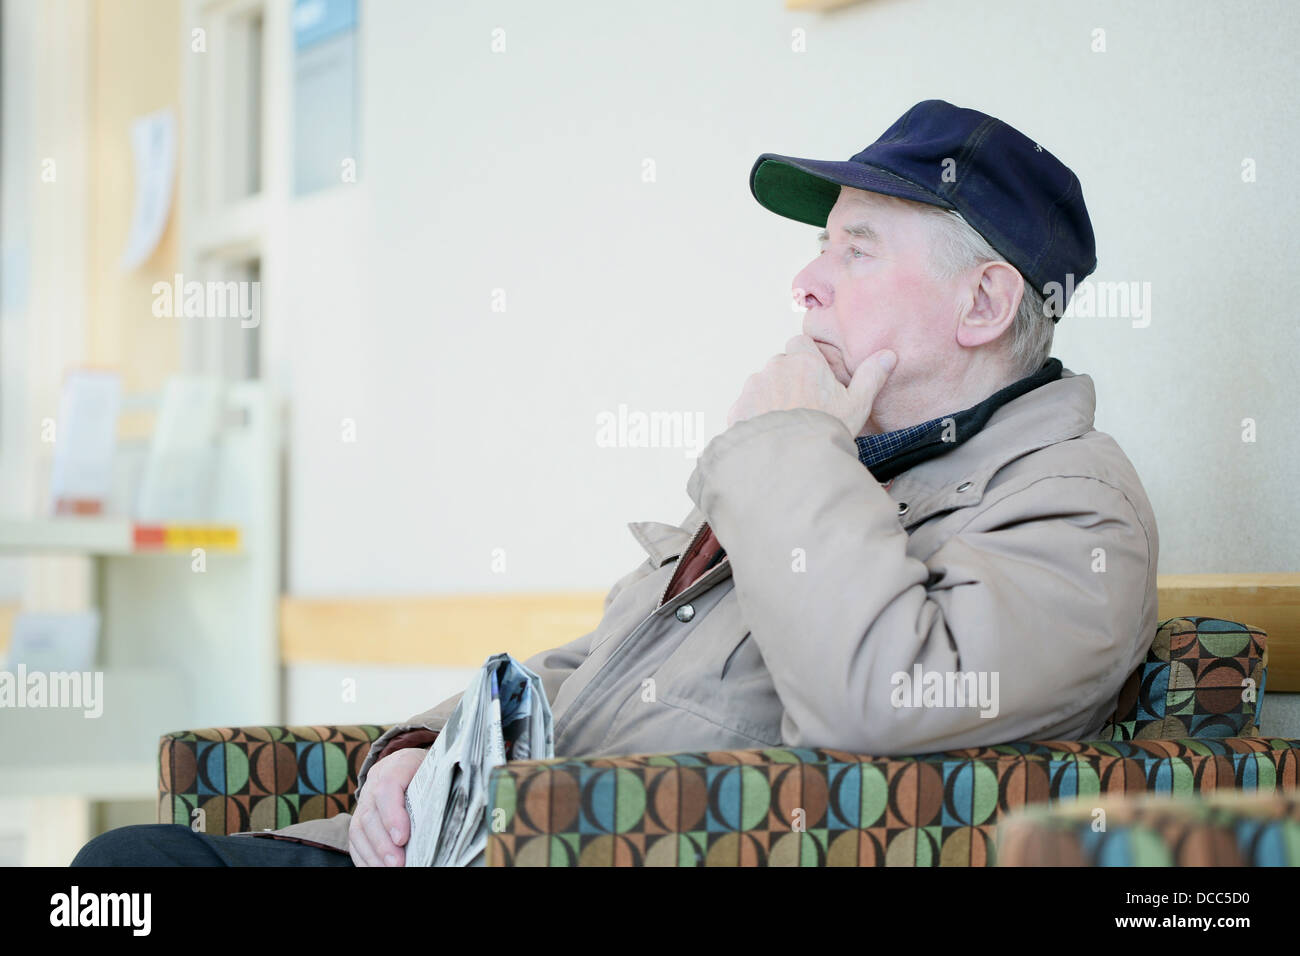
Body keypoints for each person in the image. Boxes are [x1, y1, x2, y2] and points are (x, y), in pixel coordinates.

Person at [73, 99, 1157, 867]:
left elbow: (876, 699)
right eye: (821, 247)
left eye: (857, 251)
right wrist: (416, 749)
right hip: (474, 837)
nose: (805, 282)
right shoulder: (834, 454)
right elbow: (600, 665)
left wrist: (784, 445)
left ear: (981, 304)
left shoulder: (1071, 505)